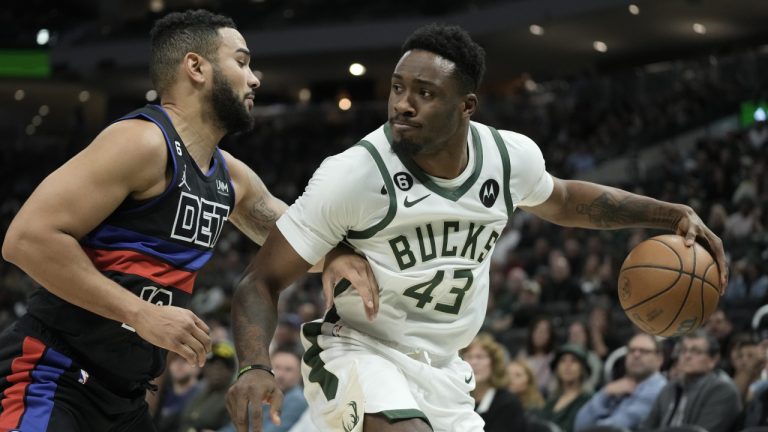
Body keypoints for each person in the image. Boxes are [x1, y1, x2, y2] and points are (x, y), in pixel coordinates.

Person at [225, 23, 728, 432]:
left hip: (446, 367)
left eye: (424, 93)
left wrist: (668, 212)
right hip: (356, 349)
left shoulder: (508, 158)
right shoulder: (353, 174)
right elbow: (259, 282)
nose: (403, 103)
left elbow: (568, 199)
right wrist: (254, 365)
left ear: (466, 107)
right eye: (398, 88)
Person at [0, 9, 370, 431]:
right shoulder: (142, 142)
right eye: (242, 62)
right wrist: (140, 313)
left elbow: (299, 240)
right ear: (196, 67)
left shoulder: (232, 177)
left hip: (125, 395)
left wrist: (340, 255)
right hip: (53, 374)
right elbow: (26, 240)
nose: (255, 78)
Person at [641, 329, 741, 432]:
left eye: (695, 351)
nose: (687, 356)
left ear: (713, 360)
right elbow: (646, 428)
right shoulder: (669, 388)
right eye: (683, 350)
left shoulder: (723, 391)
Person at [573, 333, 667, 431]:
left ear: (659, 359)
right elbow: (580, 423)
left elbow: (615, 427)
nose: (636, 355)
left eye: (644, 351)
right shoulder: (619, 387)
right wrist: (605, 393)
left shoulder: (659, 388)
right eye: (631, 350)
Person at [461, 333, 527, 432]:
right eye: (469, 357)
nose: (473, 362)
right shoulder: (458, 398)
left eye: (480, 357)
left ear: (494, 363)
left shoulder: (508, 404)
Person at [178, 341, 237, 432]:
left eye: (223, 365)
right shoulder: (196, 392)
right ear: (204, 368)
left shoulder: (234, 398)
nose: (216, 369)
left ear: (232, 370)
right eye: (212, 364)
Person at [536, 344, 593, 432]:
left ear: (582, 369)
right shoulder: (550, 402)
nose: (567, 365)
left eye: (574, 361)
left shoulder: (589, 400)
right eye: (562, 361)